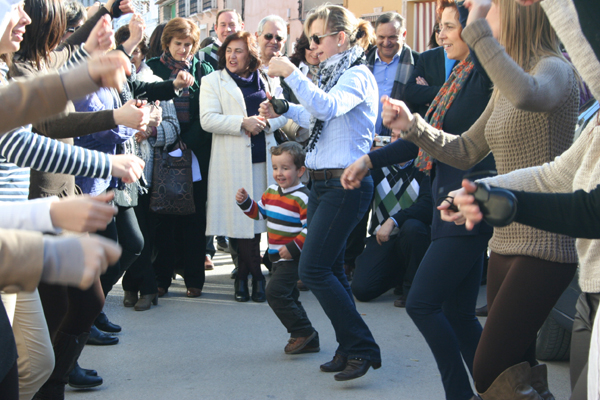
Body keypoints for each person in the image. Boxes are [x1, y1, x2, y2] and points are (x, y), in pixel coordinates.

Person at [379, 0, 579, 397]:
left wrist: (478, 34)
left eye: (492, 8)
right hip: (505, 240)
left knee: (489, 369)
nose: (481, 17)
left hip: (545, 243)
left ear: (519, 13)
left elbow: (527, 96)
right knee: (518, 372)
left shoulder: (554, 69)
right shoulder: (508, 83)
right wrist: (414, 126)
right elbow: (467, 149)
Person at [341, 0, 496, 395]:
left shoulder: (483, 79)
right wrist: (369, 161)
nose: (440, 35)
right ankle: (498, 389)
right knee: (458, 313)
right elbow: (424, 141)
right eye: (439, 27)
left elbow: (456, 145)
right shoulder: (458, 76)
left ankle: (461, 393)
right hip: (450, 204)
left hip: (466, 208)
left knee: (422, 304)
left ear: (474, 30)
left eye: (448, 27)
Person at [260, 4, 382, 381]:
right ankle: (350, 347)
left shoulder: (357, 74)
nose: (312, 45)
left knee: (313, 269)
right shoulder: (334, 73)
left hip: (345, 185)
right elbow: (313, 115)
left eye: (318, 37)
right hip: (325, 183)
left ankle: (362, 347)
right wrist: (284, 107)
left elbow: (326, 108)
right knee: (329, 269)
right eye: (310, 38)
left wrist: (293, 73)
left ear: (340, 38)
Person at [201, 30, 287, 302]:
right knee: (242, 220)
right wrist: (242, 122)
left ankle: (243, 277)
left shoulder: (268, 79)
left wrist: (267, 123)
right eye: (228, 51)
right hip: (232, 160)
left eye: (238, 51)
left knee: (258, 220)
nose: (232, 56)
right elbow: (208, 120)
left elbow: (284, 114)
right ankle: (255, 278)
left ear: (250, 54)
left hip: (264, 160)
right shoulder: (212, 80)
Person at [147, 17, 213, 298]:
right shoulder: (152, 68)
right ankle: (161, 277)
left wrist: (186, 143)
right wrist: (169, 140)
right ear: (167, 43)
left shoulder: (204, 69)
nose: (184, 50)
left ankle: (194, 279)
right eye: (178, 44)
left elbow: (207, 113)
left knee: (194, 216)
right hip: (161, 148)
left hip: (195, 150)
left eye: (189, 45)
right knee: (163, 215)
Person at [236, 141, 319, 353]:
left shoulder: (303, 197)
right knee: (289, 296)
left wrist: (293, 248)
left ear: (300, 171)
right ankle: (308, 337)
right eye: (275, 168)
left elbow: (311, 228)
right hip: (275, 256)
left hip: (293, 258)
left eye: (285, 168)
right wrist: (246, 202)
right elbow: (260, 214)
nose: (279, 173)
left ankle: (302, 331)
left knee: (274, 293)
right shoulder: (272, 191)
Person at [350, 130, 432, 307]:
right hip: (381, 239)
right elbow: (360, 207)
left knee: (412, 228)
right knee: (362, 290)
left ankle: (411, 289)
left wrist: (394, 220)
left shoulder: (425, 166)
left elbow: (428, 206)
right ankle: (398, 274)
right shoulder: (377, 166)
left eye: (403, 137)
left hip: (414, 238)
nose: (397, 142)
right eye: (394, 136)